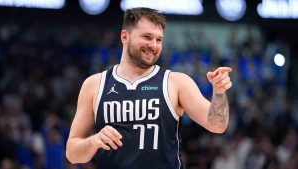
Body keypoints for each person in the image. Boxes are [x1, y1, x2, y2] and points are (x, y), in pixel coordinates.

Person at [66, 7, 232, 169]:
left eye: (159, 40)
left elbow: (217, 125)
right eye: (147, 37)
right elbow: (72, 154)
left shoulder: (176, 82)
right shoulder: (94, 84)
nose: (154, 45)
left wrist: (219, 93)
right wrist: (94, 141)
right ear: (125, 36)